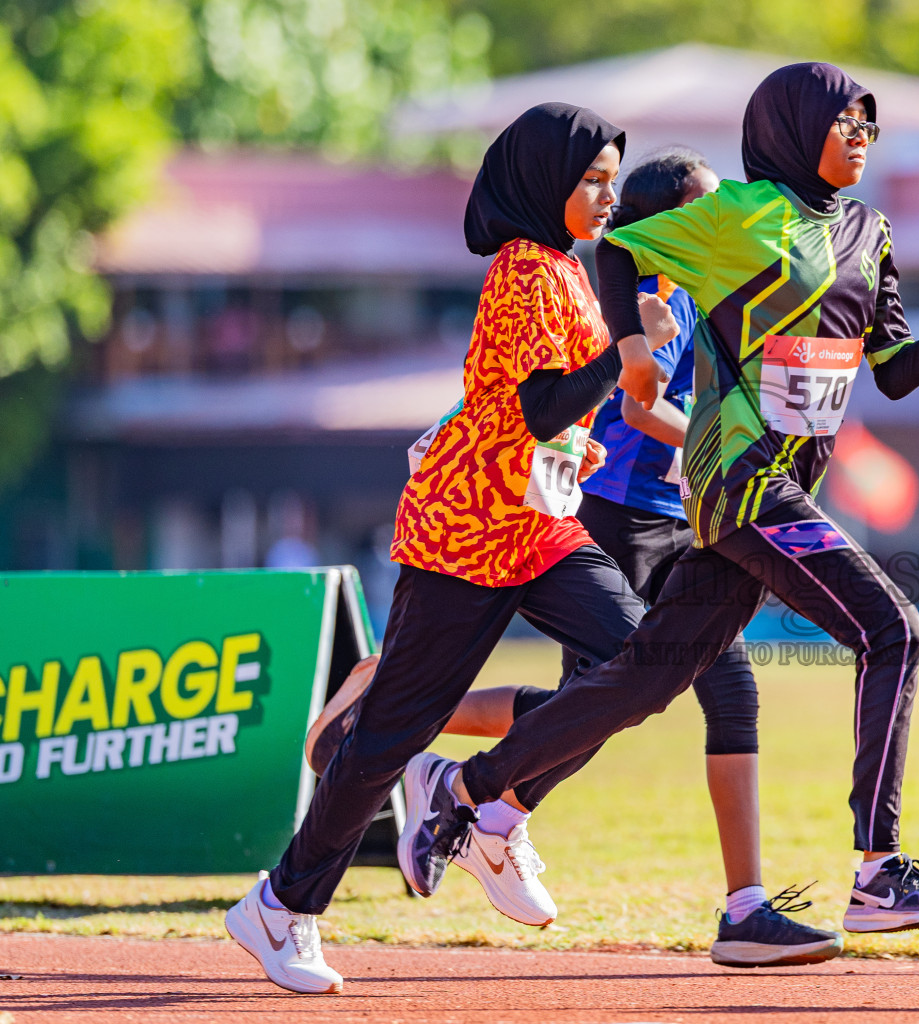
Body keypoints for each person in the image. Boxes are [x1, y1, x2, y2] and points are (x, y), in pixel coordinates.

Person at [395, 62, 919, 940]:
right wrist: (631, 347)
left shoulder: (871, 231)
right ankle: (876, 870)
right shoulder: (735, 216)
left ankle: (467, 787)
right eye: (845, 122)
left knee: (645, 679)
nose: (863, 137)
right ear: (793, 127)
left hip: (782, 487)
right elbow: (620, 246)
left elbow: (891, 373)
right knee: (893, 630)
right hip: (737, 480)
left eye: (871, 124)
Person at [304, 146, 841, 971]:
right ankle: (461, 787)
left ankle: (737, 907)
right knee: (617, 691)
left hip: (681, 515)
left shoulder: (700, 293)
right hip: (614, 514)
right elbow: (638, 403)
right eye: (703, 209)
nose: (718, 221)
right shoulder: (645, 289)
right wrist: (741, 448)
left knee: (693, 691)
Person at [224, 102, 676, 995]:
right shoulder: (519, 270)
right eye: (592, 181)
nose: (608, 196)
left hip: (541, 525)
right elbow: (536, 407)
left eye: (613, 179)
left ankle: (485, 808)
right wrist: (626, 354)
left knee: (643, 662)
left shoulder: (567, 268)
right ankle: (279, 906)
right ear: (546, 185)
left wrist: (618, 377)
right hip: (468, 528)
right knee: (388, 735)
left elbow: (558, 424)